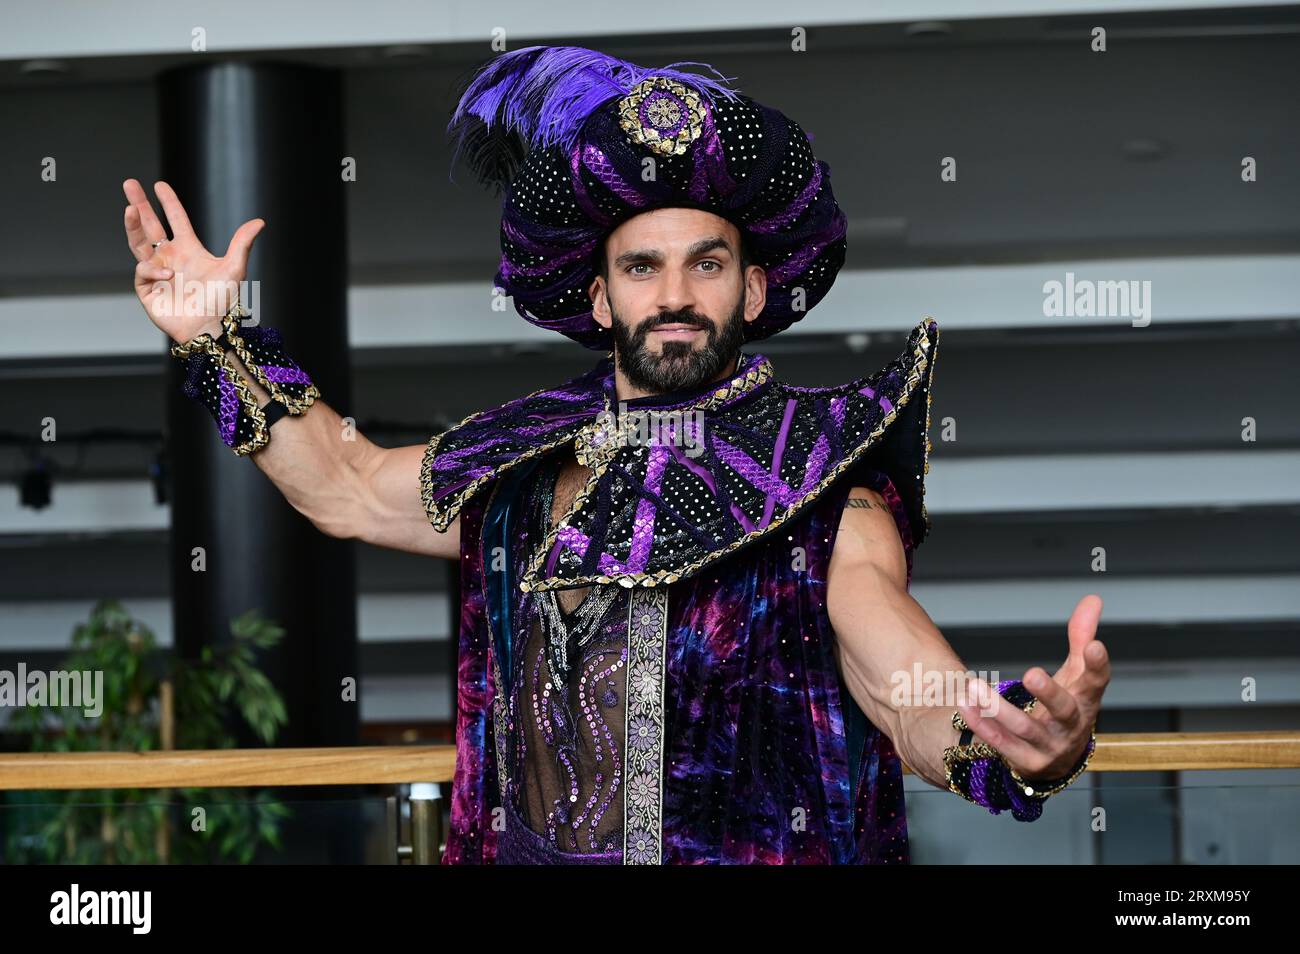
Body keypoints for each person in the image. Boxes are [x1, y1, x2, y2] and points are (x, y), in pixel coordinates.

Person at [122, 45, 1109, 865]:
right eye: (642, 264)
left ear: (753, 292)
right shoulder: (510, 470)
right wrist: (216, 338)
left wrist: (1014, 746)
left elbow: (904, 686)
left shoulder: (820, 490)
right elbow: (338, 483)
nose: (674, 293)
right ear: (601, 299)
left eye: (706, 263)